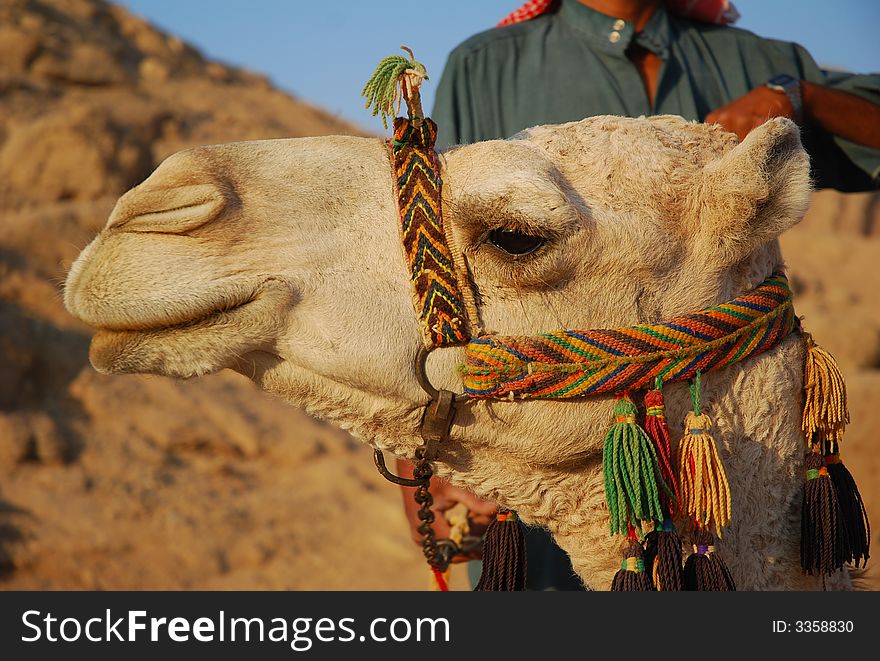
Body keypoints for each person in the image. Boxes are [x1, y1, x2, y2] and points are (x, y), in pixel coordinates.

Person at [399, 0, 880, 590]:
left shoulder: (751, 59)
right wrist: (426, 450)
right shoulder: (489, 65)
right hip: (552, 432)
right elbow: (435, 266)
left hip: (735, 445)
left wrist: (797, 97)